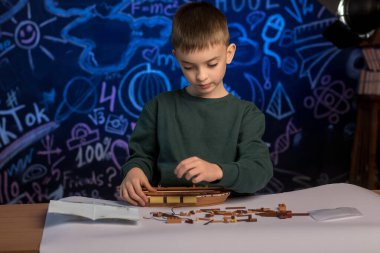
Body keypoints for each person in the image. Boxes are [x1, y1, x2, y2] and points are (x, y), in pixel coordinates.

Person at [120, 2, 273, 206]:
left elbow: (259, 170)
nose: (201, 76)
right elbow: (142, 156)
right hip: (166, 213)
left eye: (211, 64)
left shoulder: (246, 114)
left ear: (229, 54)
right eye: (189, 66)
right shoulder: (158, 107)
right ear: (176, 58)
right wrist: (134, 171)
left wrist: (217, 171)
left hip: (226, 216)